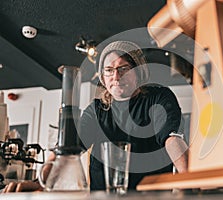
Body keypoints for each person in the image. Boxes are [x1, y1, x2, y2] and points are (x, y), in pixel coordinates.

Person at [2, 40, 188, 192]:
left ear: (138, 72)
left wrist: (188, 180)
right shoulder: (97, 110)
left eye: (123, 68)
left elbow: (172, 139)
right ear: (102, 77)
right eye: (109, 70)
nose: (116, 76)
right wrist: (40, 182)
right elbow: (70, 147)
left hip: (150, 196)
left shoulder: (159, 97)